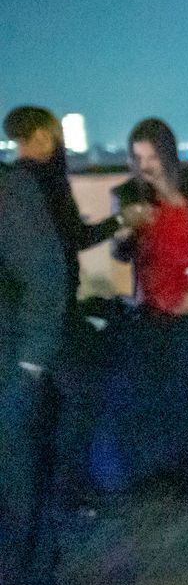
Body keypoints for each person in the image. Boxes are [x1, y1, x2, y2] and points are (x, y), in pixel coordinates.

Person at [90, 118, 188, 493]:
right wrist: (126, 227)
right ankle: (171, 476)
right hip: (156, 308)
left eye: (152, 156)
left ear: (168, 153)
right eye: (138, 157)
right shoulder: (128, 194)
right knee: (166, 394)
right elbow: (121, 253)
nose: (145, 165)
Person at [4, 106, 120, 509]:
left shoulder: (21, 180)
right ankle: (69, 491)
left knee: (56, 404)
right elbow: (70, 239)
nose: (29, 147)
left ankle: (58, 492)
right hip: (52, 316)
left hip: (40, 316)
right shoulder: (38, 181)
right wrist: (121, 222)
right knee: (83, 395)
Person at [0, 151, 70, 585]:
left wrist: (29, 365)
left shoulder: (9, 191)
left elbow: (45, 276)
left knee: (19, 480)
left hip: (9, 366)